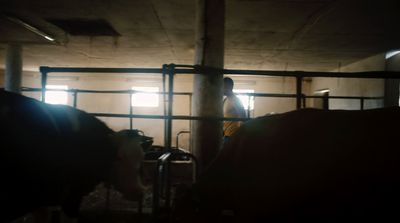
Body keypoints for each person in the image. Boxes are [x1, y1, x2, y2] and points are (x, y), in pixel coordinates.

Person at [223, 77, 247, 142]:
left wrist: (240, 135)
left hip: (232, 136)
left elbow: (243, 117)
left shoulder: (235, 100)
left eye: (223, 86)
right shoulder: (225, 100)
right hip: (226, 135)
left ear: (228, 86)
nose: (221, 89)